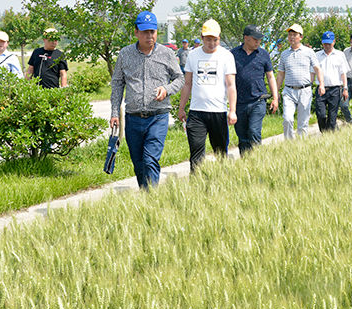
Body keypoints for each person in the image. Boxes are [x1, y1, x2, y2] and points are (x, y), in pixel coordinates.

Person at [110, 11, 184, 188]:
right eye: (145, 32)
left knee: (150, 159)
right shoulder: (125, 54)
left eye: (152, 31)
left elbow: (180, 78)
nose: (149, 36)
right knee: (139, 164)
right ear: (136, 32)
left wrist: (166, 89)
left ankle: (152, 200)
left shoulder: (166, 54)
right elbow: (117, 84)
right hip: (133, 118)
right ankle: (147, 197)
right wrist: (114, 113)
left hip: (158, 117)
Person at [178, 19, 237, 171]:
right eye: (208, 39)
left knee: (220, 152)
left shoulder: (226, 56)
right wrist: (181, 108)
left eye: (215, 39)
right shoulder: (193, 55)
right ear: (202, 38)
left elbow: (231, 85)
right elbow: (187, 83)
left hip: (218, 112)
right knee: (196, 152)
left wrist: (232, 111)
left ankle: (221, 181)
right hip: (197, 112)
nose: (211, 43)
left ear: (219, 38)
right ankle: (197, 184)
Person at [230, 25, 278, 156]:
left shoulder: (263, 54)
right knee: (243, 136)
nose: (258, 42)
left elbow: (270, 76)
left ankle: (257, 161)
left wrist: (275, 97)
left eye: (259, 39)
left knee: (254, 131)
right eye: (255, 39)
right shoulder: (233, 54)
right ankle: (246, 163)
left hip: (258, 100)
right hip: (239, 103)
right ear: (246, 38)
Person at [276, 24, 324, 139]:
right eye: (290, 35)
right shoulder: (284, 54)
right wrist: (276, 91)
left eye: (294, 35)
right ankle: (289, 144)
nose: (291, 37)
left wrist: (321, 84)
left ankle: (301, 145)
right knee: (287, 119)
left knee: (303, 123)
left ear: (301, 37)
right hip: (289, 91)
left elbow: (317, 69)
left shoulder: (309, 52)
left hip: (305, 91)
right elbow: (281, 73)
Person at [314, 31, 349, 132]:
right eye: (325, 43)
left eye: (329, 43)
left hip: (335, 89)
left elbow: (343, 73)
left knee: (332, 116)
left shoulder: (340, 55)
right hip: (321, 89)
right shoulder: (317, 55)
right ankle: (324, 132)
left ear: (334, 42)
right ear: (322, 43)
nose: (327, 46)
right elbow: (312, 72)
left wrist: (345, 88)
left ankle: (330, 136)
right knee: (320, 114)